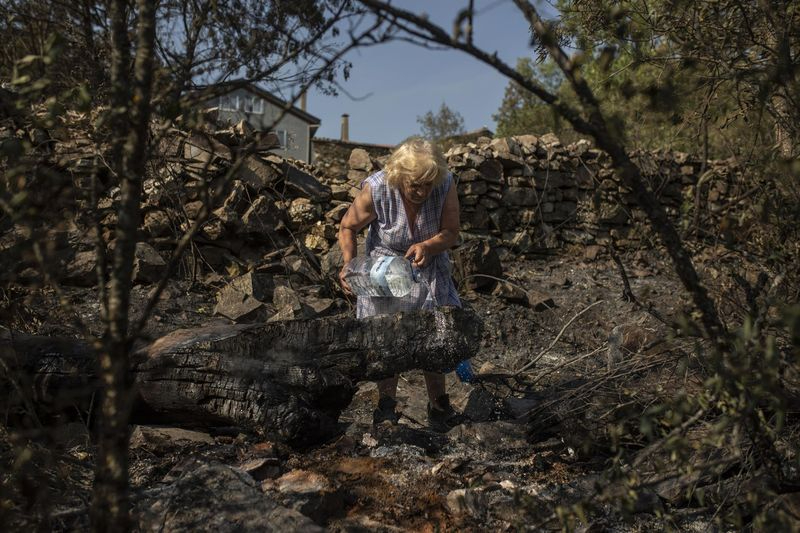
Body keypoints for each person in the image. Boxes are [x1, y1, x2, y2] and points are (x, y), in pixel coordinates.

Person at [337, 137, 465, 431]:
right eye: (414, 185)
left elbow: (451, 231)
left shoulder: (444, 184)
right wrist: (348, 263)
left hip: (428, 269)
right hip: (384, 272)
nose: (421, 192)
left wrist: (429, 246)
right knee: (386, 342)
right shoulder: (379, 188)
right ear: (399, 177)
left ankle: (439, 407)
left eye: (427, 185)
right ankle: (386, 408)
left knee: (435, 339)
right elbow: (348, 226)